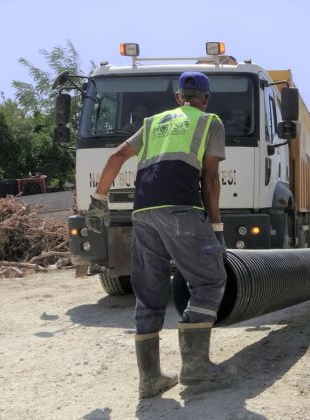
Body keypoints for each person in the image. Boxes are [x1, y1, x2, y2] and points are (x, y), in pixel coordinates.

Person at [85, 72, 231, 399]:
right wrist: (217, 228)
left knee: (149, 293)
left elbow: (117, 156)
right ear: (204, 99)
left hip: (143, 213)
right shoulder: (210, 122)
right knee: (209, 281)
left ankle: (149, 379)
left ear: (179, 97)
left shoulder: (152, 123)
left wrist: (99, 200)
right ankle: (195, 366)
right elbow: (210, 180)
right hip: (180, 208)